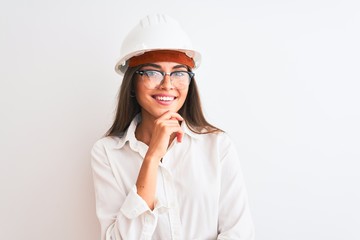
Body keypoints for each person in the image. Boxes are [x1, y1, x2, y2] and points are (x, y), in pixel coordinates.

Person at [91, 13, 255, 240]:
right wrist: (151, 158)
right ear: (132, 80)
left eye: (179, 73)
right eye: (151, 72)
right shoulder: (107, 152)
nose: (167, 84)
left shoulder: (217, 145)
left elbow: (240, 233)